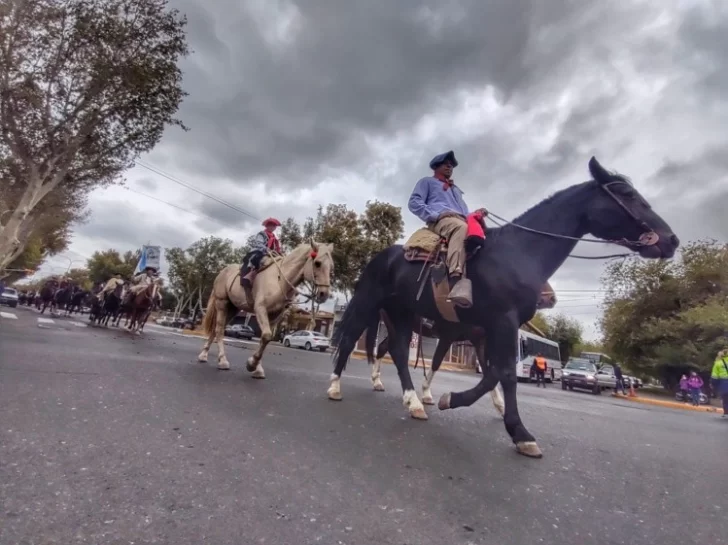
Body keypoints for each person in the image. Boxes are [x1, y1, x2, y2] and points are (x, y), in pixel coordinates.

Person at [408, 151, 486, 308]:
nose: (449, 166)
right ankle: (456, 278)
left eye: (451, 165)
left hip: (461, 219)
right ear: (436, 167)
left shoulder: (456, 190)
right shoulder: (427, 182)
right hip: (441, 220)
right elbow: (414, 202)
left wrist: (476, 213)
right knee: (461, 228)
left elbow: (464, 212)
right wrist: (437, 214)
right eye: (446, 164)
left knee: (482, 236)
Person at [240, 218, 282, 289]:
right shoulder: (261, 234)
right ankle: (251, 274)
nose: (273, 227)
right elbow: (259, 243)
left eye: (274, 226)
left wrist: (279, 252)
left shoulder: (274, 237)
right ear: (267, 226)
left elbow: (276, 247)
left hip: (272, 253)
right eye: (271, 225)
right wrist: (266, 249)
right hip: (260, 251)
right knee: (256, 258)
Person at [710, 349, 728, 417]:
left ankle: (726, 413)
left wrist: (714, 385)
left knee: (725, 398)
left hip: (724, 383)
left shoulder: (718, 363)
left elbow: (714, 377)